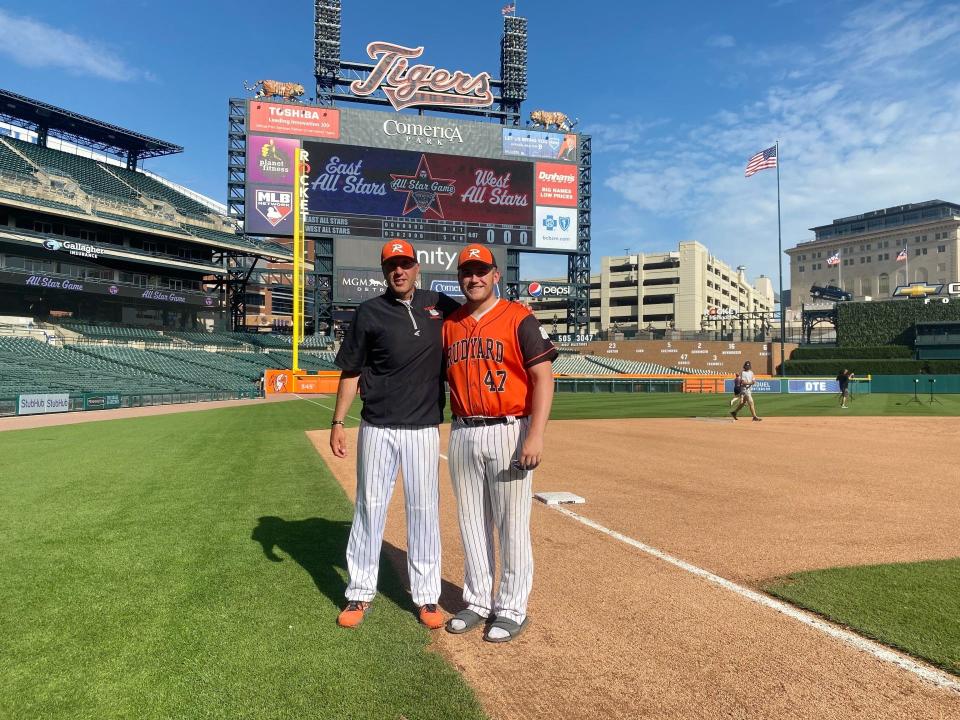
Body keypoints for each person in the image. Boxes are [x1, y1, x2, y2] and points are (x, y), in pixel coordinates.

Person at [329, 239, 459, 630]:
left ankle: (426, 597)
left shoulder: (441, 305)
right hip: (378, 426)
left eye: (405, 264)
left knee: (424, 512)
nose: (398, 271)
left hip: (422, 428)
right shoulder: (369, 312)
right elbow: (350, 371)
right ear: (384, 271)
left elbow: (477, 317)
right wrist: (338, 423)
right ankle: (359, 593)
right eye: (391, 266)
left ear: (417, 267)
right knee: (370, 508)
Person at [442, 244, 558, 643]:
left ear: (495, 275)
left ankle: (511, 607)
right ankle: (476, 601)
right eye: (466, 272)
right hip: (462, 430)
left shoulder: (519, 317)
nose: (472, 278)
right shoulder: (450, 324)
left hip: (509, 428)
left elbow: (544, 377)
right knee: (472, 524)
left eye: (480, 271)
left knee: (511, 525)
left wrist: (536, 434)